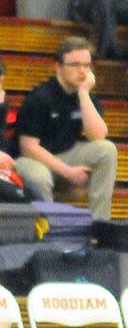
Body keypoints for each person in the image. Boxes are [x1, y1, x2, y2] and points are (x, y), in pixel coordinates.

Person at [13, 37, 118, 219]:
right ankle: (50, 229)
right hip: (31, 159)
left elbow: (99, 136)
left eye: (87, 65)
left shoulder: (87, 97)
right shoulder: (40, 97)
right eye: (75, 65)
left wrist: (84, 94)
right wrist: (69, 173)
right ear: (58, 67)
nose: (83, 71)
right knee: (40, 176)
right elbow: (29, 148)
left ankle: (98, 226)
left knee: (107, 150)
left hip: (64, 154)